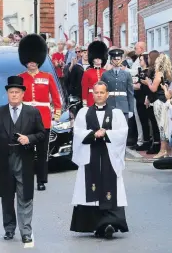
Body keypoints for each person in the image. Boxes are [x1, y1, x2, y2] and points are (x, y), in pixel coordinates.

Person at [0, 76, 45, 243]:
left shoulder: (32, 112)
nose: (14, 95)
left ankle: (26, 231)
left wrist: (29, 138)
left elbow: (42, 134)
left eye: (17, 92)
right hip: (4, 159)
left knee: (25, 196)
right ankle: (9, 229)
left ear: (22, 94)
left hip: (24, 158)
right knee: (7, 196)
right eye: (11, 92)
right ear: (7, 94)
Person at [70, 81, 129, 239]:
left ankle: (110, 223)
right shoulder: (83, 112)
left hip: (109, 155)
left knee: (111, 186)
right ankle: (94, 224)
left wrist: (107, 133)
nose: (99, 95)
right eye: (96, 92)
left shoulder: (116, 113)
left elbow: (123, 132)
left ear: (107, 94)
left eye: (102, 92)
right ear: (92, 94)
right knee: (90, 186)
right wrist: (93, 134)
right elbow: (77, 131)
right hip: (90, 155)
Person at [18, 34, 62, 191]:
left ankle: (41, 180)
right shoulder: (20, 78)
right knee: (27, 152)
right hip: (26, 118)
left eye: (34, 60)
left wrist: (56, 115)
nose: (31, 63)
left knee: (43, 153)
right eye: (29, 61)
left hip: (44, 119)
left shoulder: (47, 77)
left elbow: (56, 99)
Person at [141, 53, 172, 158]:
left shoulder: (159, 73)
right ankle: (168, 151)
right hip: (167, 101)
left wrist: (147, 83)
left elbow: (153, 88)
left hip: (159, 101)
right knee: (168, 127)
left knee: (161, 126)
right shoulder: (169, 73)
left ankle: (162, 150)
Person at [101, 49, 134, 121]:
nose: (116, 61)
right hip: (109, 104)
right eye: (114, 59)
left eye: (118, 59)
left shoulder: (127, 74)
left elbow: (130, 93)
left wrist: (131, 109)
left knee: (123, 129)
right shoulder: (105, 74)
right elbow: (102, 91)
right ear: (111, 60)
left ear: (121, 60)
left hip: (123, 105)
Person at [81, 41, 108, 107]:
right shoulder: (87, 72)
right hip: (91, 98)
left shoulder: (106, 72)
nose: (98, 60)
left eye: (100, 58)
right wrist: (84, 101)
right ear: (92, 60)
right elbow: (84, 88)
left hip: (104, 99)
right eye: (96, 58)